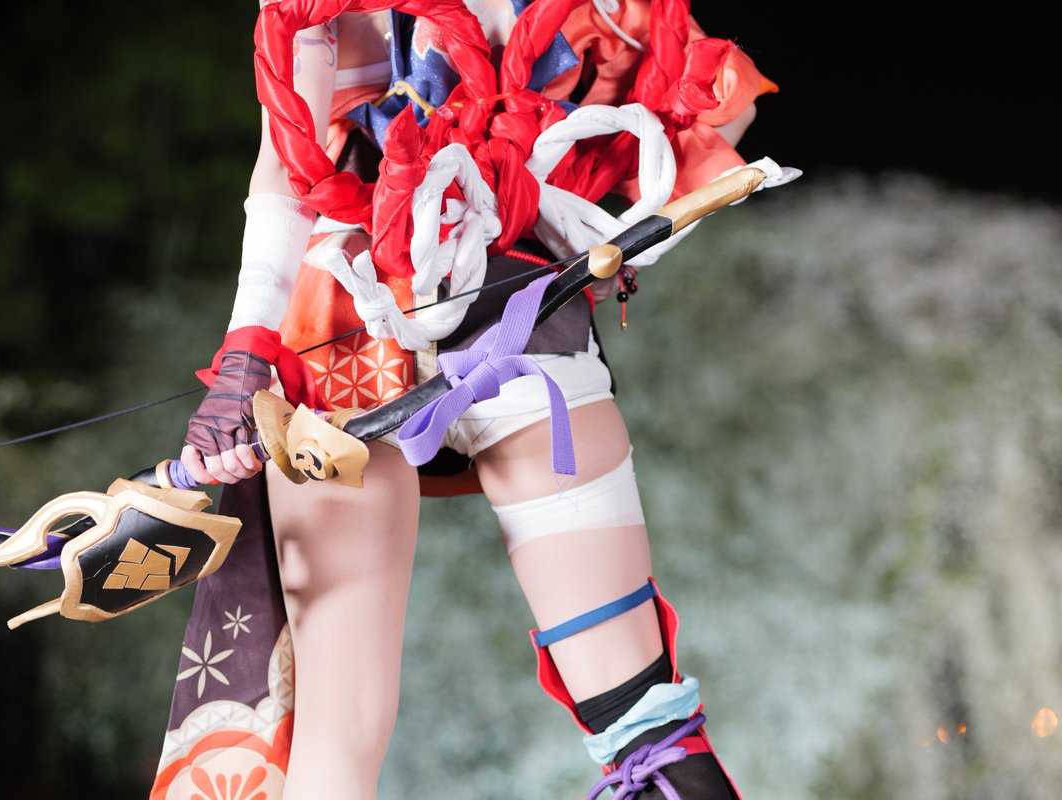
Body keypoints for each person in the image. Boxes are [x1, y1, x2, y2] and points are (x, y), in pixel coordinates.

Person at [161, 1, 777, 798]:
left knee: (352, 736)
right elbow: (722, 110)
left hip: (409, 328)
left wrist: (246, 357)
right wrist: (245, 354)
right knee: (638, 727)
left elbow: (285, 169)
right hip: (449, 320)